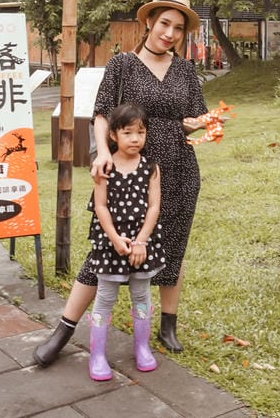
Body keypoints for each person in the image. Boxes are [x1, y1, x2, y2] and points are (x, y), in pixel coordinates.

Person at [34, 0, 213, 367]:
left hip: (179, 168)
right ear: (148, 21)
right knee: (106, 248)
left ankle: (168, 324)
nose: (170, 33)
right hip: (127, 171)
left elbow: (196, 117)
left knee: (173, 246)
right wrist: (101, 153)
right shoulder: (122, 65)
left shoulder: (185, 70)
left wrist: (202, 125)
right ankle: (64, 329)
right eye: (164, 23)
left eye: (178, 28)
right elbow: (101, 113)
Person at [83, 102, 165, 380]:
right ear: (113, 136)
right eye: (128, 133)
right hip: (111, 243)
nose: (135, 139)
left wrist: (141, 241)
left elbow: (154, 207)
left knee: (141, 295)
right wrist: (115, 239)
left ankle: (142, 348)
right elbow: (101, 206)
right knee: (105, 297)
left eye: (140, 133)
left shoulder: (151, 167)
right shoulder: (103, 167)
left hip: (143, 244)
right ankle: (97, 355)